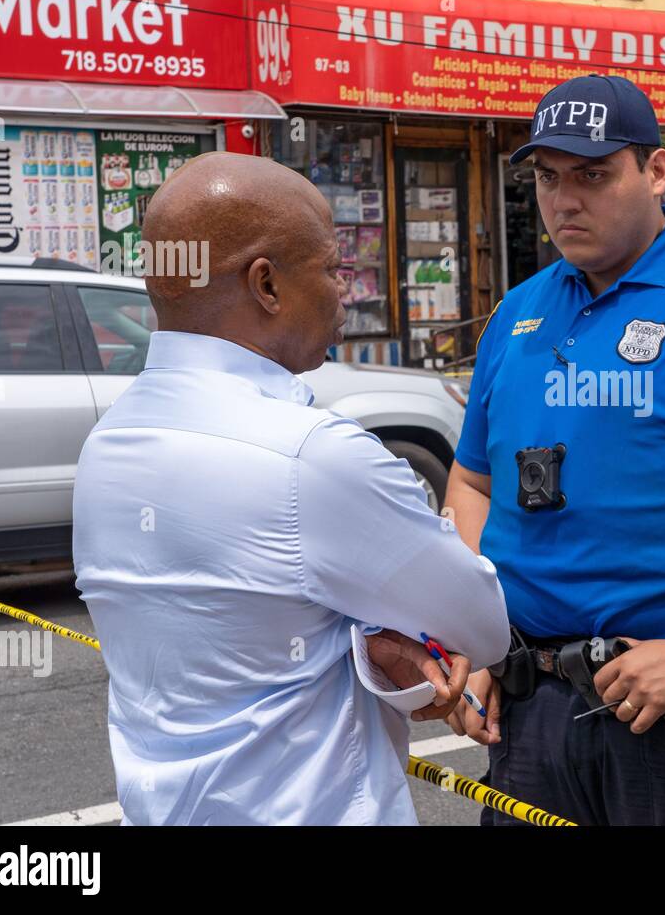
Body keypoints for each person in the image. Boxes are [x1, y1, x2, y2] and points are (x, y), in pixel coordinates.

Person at [72, 152, 510, 825]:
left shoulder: (105, 447)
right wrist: (378, 631)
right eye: (334, 268)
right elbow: (480, 624)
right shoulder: (311, 456)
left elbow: (240, 625)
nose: (347, 292)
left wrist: (358, 637)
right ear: (266, 285)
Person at [443, 75, 665, 826]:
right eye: (548, 177)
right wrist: (475, 632)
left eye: (593, 175)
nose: (565, 200)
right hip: (525, 708)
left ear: (657, 172)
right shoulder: (516, 314)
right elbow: (470, 484)